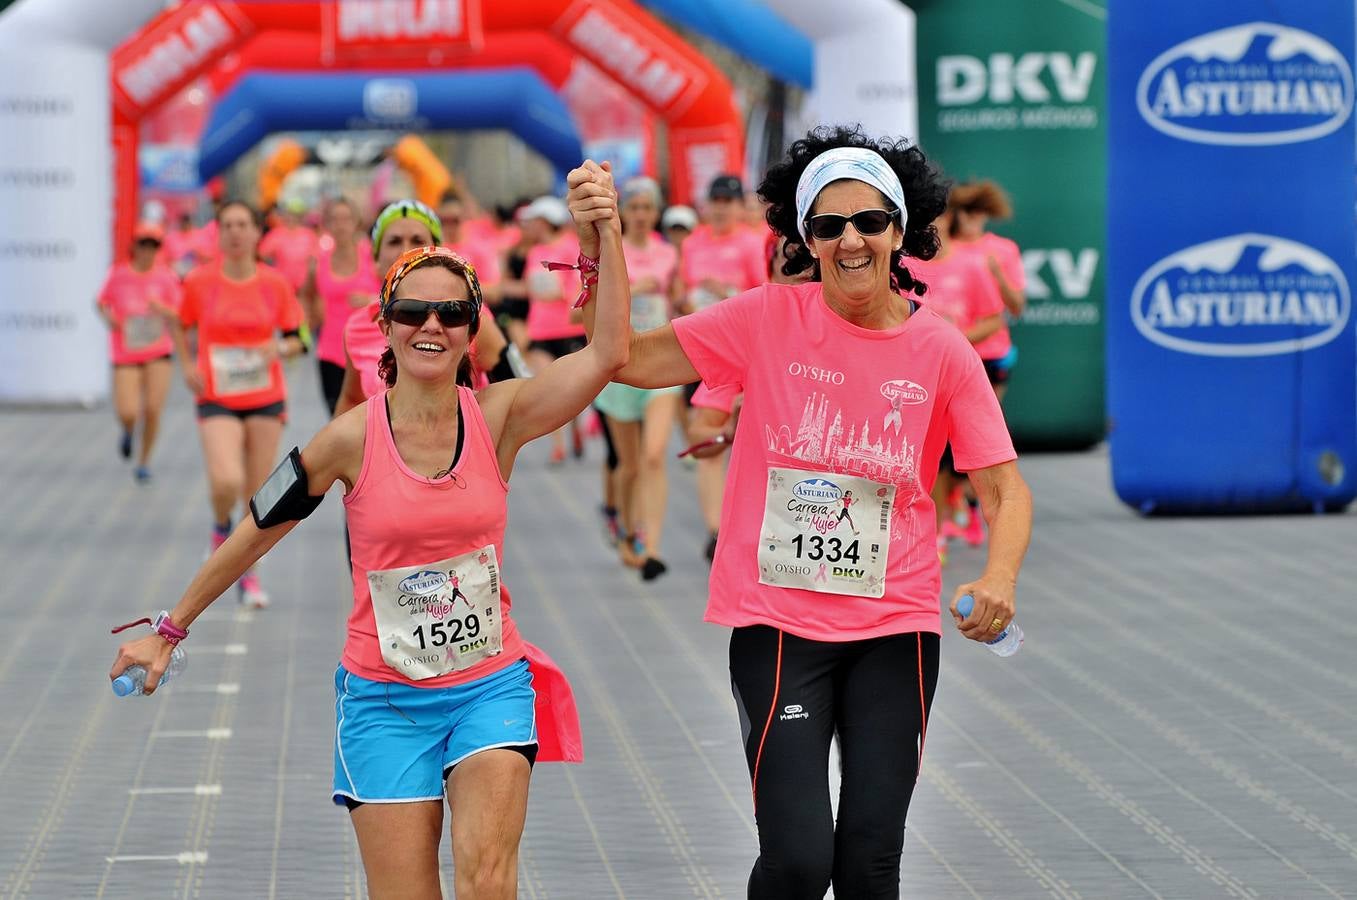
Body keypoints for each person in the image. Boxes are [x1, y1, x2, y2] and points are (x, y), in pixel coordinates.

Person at [111, 161, 629, 898]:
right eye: (413, 311)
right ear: (384, 323)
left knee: (487, 881)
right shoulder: (347, 440)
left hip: (487, 683)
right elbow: (259, 525)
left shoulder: (500, 416)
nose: (431, 327)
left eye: (452, 314)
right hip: (383, 699)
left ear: (470, 331)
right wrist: (170, 628)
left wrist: (603, 232)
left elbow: (609, 353)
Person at [575, 125, 1032, 898]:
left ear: (899, 230)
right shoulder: (764, 319)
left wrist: (1000, 576)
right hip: (779, 625)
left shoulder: (942, 350)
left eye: (868, 222)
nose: (849, 240)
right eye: (826, 226)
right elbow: (620, 356)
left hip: (896, 628)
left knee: (867, 864)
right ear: (805, 238)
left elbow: (1002, 488)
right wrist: (603, 240)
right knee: (796, 860)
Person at [170, 200, 307, 608]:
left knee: (255, 493)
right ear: (218, 232)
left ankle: (249, 577)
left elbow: (300, 338)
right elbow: (180, 324)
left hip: (265, 397)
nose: (234, 232)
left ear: (255, 233)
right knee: (225, 481)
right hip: (217, 395)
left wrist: (279, 347)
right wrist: (186, 364)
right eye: (227, 225)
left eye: (242, 225)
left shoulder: (274, 283)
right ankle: (218, 529)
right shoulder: (199, 281)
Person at [334, 200, 509, 417]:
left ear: (439, 256)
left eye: (418, 240)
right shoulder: (358, 326)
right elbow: (351, 401)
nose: (407, 251)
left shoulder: (465, 314)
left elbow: (513, 389)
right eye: (394, 241)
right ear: (376, 260)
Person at [592, 177, 683, 580]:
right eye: (635, 207)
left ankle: (653, 546)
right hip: (621, 366)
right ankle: (628, 534)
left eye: (649, 207)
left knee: (653, 454)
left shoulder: (670, 254)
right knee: (628, 465)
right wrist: (629, 286)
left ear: (657, 212)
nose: (642, 215)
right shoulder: (613, 251)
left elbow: (681, 298)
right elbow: (594, 301)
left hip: (662, 364)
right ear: (623, 212)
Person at [909, 203, 1008, 556]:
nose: (930, 227)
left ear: (948, 220)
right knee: (931, 457)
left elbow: (995, 319)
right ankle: (933, 537)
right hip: (921, 379)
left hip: (967, 374)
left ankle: (963, 509)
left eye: (936, 218)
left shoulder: (970, 265)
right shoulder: (905, 267)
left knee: (964, 455)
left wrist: (957, 335)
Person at [97, 222, 183, 482]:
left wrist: (162, 309)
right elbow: (101, 302)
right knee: (128, 410)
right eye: (143, 244)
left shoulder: (166, 277)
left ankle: (144, 462)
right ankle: (128, 428)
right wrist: (109, 318)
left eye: (153, 245)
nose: (147, 250)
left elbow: (181, 314)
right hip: (126, 351)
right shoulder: (118, 274)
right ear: (134, 246)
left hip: (158, 350)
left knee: (154, 409)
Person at [521, 196, 587, 464]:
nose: (530, 226)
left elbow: (578, 284)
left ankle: (575, 427)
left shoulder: (571, 247)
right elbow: (531, 288)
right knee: (549, 389)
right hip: (540, 330)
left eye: (534, 220)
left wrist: (561, 291)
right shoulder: (535, 252)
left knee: (569, 390)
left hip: (567, 330)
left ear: (546, 221)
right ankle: (558, 445)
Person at [304, 198, 379, 415]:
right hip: (331, 351)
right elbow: (307, 295)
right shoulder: (318, 262)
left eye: (346, 219)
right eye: (335, 219)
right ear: (326, 224)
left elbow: (394, 294)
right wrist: (310, 319)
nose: (341, 225)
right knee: (337, 418)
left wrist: (371, 299)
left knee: (371, 417)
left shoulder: (372, 258)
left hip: (369, 352)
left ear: (357, 223)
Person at [259, 198, 320, 294]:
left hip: (304, 289)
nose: (292, 218)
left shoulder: (308, 235)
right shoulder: (277, 234)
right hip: (283, 287)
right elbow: (261, 255)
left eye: (295, 215)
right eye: (290, 214)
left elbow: (316, 258)